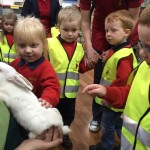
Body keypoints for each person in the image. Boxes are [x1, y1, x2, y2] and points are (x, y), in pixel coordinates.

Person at [83, 4, 150, 150]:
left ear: (127, 32)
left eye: (149, 47)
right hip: (118, 105)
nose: (142, 54)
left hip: (113, 105)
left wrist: (109, 96)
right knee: (119, 125)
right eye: (141, 45)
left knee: (107, 126)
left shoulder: (124, 57)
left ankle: (105, 147)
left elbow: (122, 82)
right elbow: (130, 91)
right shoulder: (140, 64)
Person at [47, 6, 98, 149]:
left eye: (74, 30)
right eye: (66, 30)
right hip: (53, 91)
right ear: (59, 27)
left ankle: (64, 135)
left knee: (68, 117)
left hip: (70, 93)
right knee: (51, 115)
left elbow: (80, 68)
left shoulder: (80, 48)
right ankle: (50, 135)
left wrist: (91, 65)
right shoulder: (49, 44)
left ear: (80, 30)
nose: (70, 34)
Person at [10, 16, 60, 108]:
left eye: (33, 45)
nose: (28, 50)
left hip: (35, 110)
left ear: (43, 45)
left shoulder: (45, 68)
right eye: (22, 45)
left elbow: (52, 87)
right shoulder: (14, 64)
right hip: (15, 106)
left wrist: (47, 99)